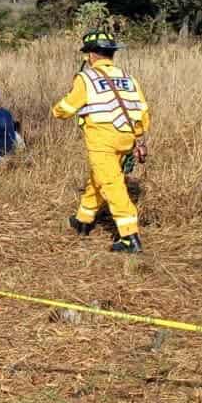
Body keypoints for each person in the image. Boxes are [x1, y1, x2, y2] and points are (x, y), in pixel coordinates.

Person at [51, 31, 150, 253]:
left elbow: (66, 109)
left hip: (102, 140)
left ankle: (129, 237)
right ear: (111, 54)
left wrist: (55, 111)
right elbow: (143, 111)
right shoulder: (128, 78)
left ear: (92, 56)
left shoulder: (86, 78)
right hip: (127, 137)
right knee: (99, 178)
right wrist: (137, 136)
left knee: (112, 184)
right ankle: (83, 220)